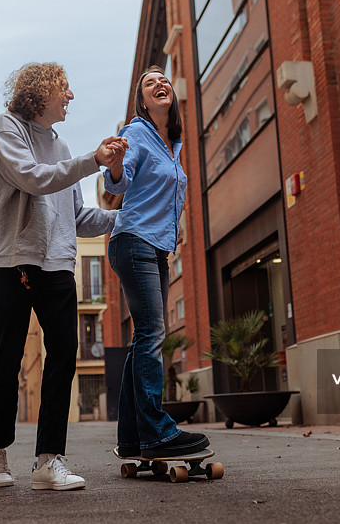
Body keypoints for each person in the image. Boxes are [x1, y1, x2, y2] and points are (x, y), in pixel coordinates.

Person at [0, 62, 127, 491]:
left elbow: (77, 215)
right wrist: (93, 160)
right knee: (5, 361)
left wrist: (124, 219)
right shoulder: (3, 128)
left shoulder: (63, 149)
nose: (72, 96)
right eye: (65, 88)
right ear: (41, 91)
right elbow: (32, 178)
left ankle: (48, 460)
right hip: (9, 260)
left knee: (64, 355)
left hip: (57, 262)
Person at [103, 65, 210, 459]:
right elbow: (118, 182)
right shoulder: (135, 133)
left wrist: (174, 226)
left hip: (156, 246)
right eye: (150, 82)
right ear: (143, 100)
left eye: (163, 79)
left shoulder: (173, 142)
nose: (160, 83)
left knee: (142, 340)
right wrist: (115, 163)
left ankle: (132, 437)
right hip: (133, 241)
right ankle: (157, 434)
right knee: (151, 334)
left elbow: (170, 189)